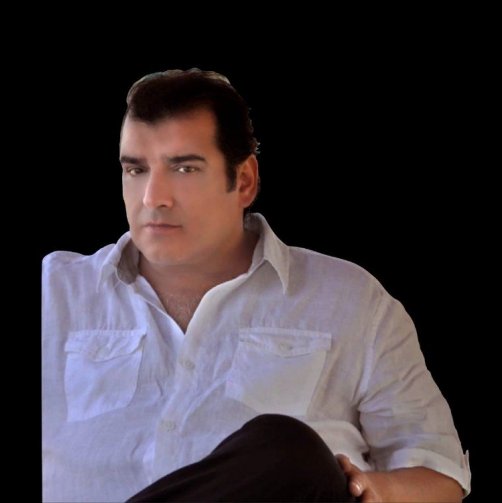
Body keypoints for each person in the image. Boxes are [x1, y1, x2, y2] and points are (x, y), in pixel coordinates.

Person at [42, 68, 471, 502]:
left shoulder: (351, 302)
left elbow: (441, 475)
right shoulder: (54, 294)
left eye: (185, 168)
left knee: (290, 451)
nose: (153, 197)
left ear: (244, 181)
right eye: (136, 169)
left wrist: (374, 490)